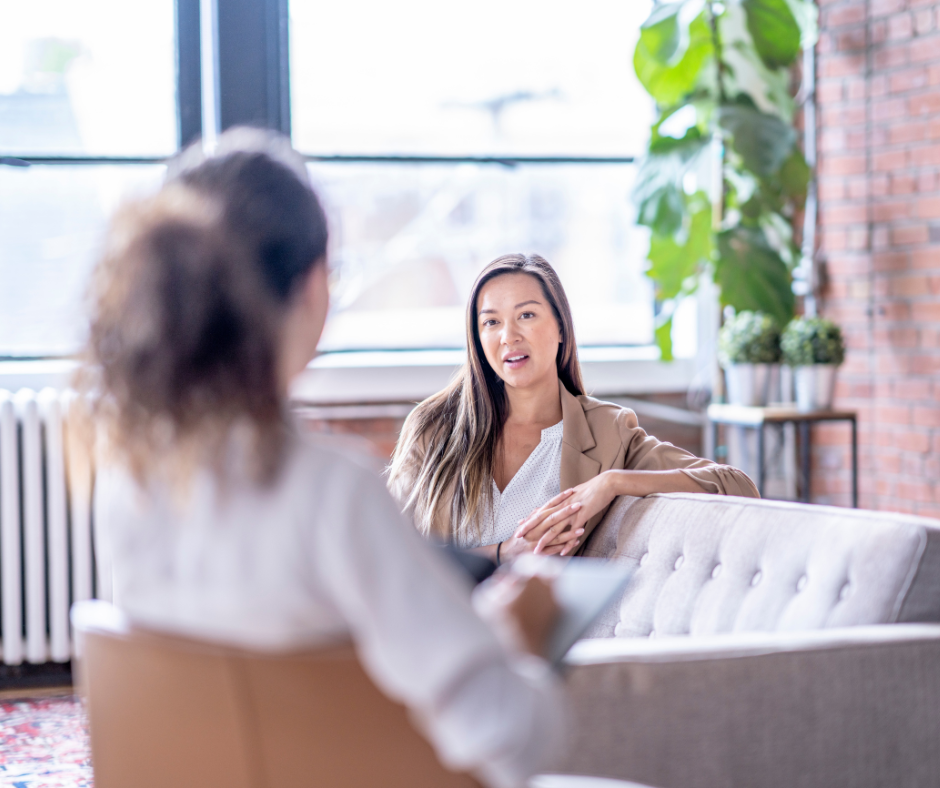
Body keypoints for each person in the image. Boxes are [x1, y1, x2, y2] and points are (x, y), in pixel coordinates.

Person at [79, 129, 565, 788]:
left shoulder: (127, 479)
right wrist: (517, 641)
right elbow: (510, 739)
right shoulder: (333, 492)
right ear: (313, 286)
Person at [388, 254, 759, 564]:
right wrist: (503, 554)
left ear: (561, 327)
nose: (509, 336)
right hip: (442, 631)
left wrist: (612, 482)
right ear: (478, 338)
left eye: (527, 315)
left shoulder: (607, 431)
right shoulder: (433, 427)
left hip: (547, 639)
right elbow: (387, 552)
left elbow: (737, 486)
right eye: (491, 322)